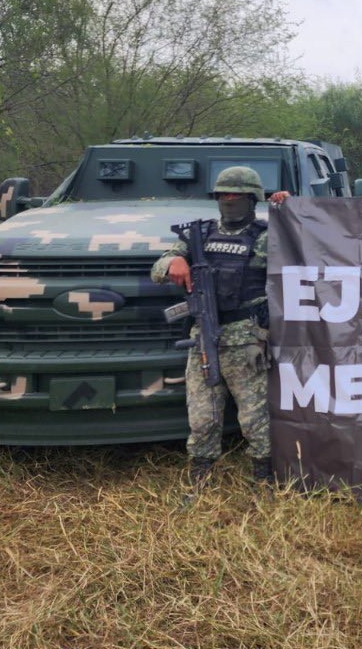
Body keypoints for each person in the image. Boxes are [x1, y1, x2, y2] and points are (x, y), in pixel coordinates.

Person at [150, 166, 289, 502]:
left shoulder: (268, 235)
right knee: (202, 417)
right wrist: (173, 262)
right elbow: (157, 270)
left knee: (255, 418)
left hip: (247, 341)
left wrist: (291, 210)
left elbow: (310, 247)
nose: (229, 200)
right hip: (204, 337)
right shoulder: (198, 235)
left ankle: (263, 481)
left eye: (237, 195)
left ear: (252, 198)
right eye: (224, 195)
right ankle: (199, 480)